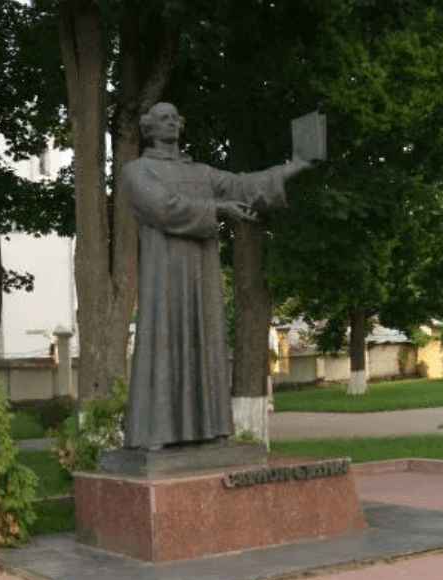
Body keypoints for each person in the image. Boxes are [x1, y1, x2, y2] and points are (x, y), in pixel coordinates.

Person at [120, 102, 311, 450]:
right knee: (164, 338)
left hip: (201, 271)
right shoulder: (137, 171)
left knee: (205, 337)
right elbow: (162, 208)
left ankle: (209, 429)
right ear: (149, 127)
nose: (173, 122)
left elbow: (243, 185)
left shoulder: (201, 173)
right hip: (165, 273)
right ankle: (155, 433)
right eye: (164, 117)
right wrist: (217, 209)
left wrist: (295, 166)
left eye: (177, 117)